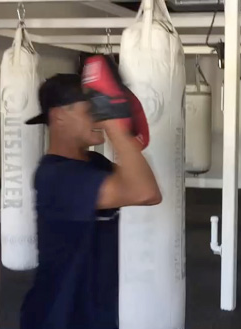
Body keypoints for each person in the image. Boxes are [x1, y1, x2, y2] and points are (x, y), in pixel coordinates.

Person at [19, 56, 161, 329]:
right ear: (59, 116)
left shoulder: (93, 164)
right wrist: (114, 122)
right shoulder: (55, 176)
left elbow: (142, 185)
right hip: (59, 317)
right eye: (91, 110)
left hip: (94, 309)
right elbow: (145, 192)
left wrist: (123, 127)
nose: (99, 116)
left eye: (100, 109)